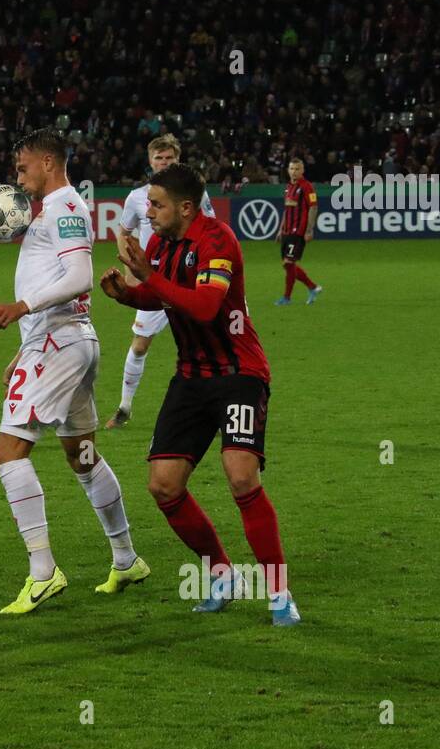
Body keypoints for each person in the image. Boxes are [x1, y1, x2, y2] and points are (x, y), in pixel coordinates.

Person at [101, 163, 300, 625]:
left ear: (185, 208)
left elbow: (207, 306)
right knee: (163, 485)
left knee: (240, 476)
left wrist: (147, 276)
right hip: (191, 375)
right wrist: (128, 295)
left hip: (238, 372)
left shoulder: (217, 240)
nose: (146, 212)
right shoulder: (160, 244)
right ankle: (223, 574)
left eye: (156, 204)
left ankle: (279, 593)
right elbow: (166, 298)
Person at [0, 129, 146, 615]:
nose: (18, 178)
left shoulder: (66, 208)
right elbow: (59, 278)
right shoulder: (54, 209)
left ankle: (43, 572)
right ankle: (126, 559)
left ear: (49, 163)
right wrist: (25, 344)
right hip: (63, 341)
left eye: (23, 168)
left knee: (8, 451)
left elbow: (80, 277)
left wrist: (22, 307)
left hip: (60, 343)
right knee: (82, 456)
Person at [106, 132, 216, 429]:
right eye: (159, 158)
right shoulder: (137, 198)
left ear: (178, 160)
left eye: (170, 158)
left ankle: (217, 410)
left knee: (208, 345)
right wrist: (130, 266)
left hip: (190, 281)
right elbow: (123, 231)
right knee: (140, 345)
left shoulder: (197, 196)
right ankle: (124, 407)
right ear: (150, 161)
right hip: (154, 282)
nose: (164, 163)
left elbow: (211, 230)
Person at [275, 157, 321, 306]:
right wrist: (280, 229)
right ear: (288, 170)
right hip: (287, 231)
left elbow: (313, 207)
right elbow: (286, 210)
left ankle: (286, 298)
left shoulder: (307, 187)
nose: (294, 172)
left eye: (297, 169)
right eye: (292, 169)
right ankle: (313, 287)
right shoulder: (288, 187)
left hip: (298, 232)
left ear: (302, 170)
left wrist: (309, 229)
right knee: (288, 264)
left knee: (288, 262)